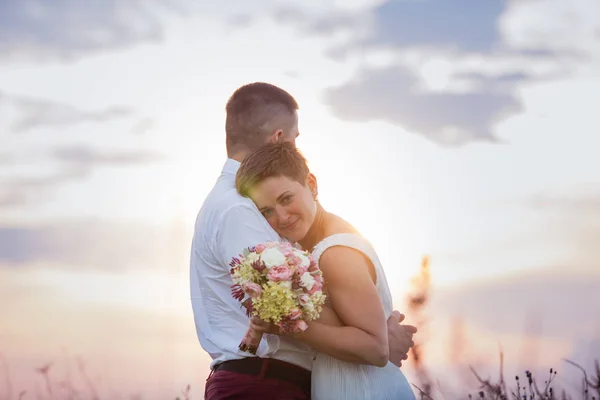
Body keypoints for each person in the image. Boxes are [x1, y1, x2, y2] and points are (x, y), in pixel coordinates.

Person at [190, 82, 417, 400]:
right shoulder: (239, 209)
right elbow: (287, 303)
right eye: (295, 139)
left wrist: (374, 331)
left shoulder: (238, 203)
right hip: (264, 384)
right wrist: (379, 335)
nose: (279, 216)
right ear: (279, 139)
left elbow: (297, 305)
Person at [235, 142, 416, 399]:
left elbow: (376, 349)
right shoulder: (316, 246)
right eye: (267, 211)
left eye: (286, 199)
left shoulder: (335, 253)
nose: (282, 217)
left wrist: (287, 326)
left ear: (312, 184)